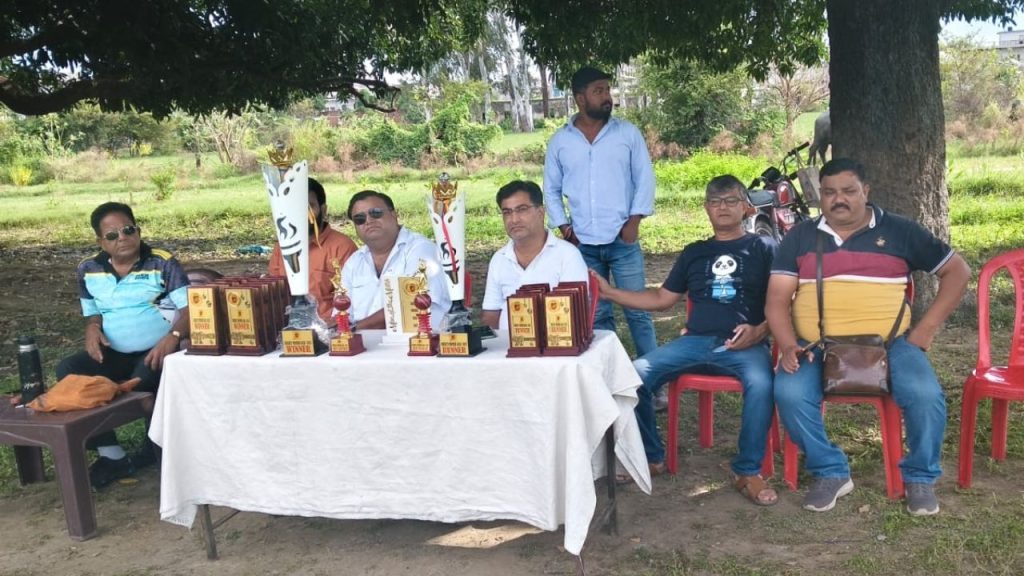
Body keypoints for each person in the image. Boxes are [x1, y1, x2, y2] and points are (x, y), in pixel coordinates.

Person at [766, 158, 970, 515]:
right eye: (829, 192)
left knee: (925, 396)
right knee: (789, 393)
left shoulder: (901, 231)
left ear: (866, 191)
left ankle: (920, 477)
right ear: (819, 196)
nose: (838, 200)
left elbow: (958, 271)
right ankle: (830, 471)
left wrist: (925, 330)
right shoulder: (800, 236)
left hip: (892, 346)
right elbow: (777, 301)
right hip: (817, 347)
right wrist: (787, 344)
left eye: (848, 191)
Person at [596, 175, 778, 505]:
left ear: (746, 207)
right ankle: (651, 457)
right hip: (694, 342)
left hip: (745, 344)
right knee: (633, 376)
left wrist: (761, 330)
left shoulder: (764, 247)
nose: (722, 207)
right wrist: (610, 293)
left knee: (762, 384)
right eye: (715, 201)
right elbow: (661, 299)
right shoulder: (695, 252)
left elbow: (786, 299)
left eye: (731, 200)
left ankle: (747, 470)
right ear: (706, 208)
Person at [57, 202, 191, 488]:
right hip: (114, 353)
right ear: (100, 242)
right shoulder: (88, 269)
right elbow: (92, 312)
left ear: (138, 231)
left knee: (144, 378)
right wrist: (92, 327)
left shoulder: (162, 262)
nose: (123, 238)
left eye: (128, 230)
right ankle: (112, 455)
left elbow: (191, 309)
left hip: (156, 350)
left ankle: (158, 451)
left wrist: (173, 337)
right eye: (112, 235)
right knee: (69, 371)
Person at [543, 66, 657, 359]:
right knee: (597, 314)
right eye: (599, 91)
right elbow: (550, 189)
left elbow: (645, 178)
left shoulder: (627, 133)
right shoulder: (561, 141)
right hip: (583, 244)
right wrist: (564, 228)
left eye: (607, 90)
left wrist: (634, 221)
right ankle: (605, 374)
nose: (607, 97)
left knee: (638, 311)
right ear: (580, 98)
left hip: (623, 240)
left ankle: (653, 377)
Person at [481, 180, 589, 330]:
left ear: (541, 212)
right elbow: (491, 313)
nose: (514, 219)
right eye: (507, 212)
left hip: (556, 341)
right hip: (506, 343)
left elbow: (575, 314)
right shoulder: (499, 259)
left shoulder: (567, 255)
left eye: (522, 210)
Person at [340, 190, 450, 331]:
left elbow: (411, 306)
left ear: (394, 215)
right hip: (361, 341)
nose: (369, 221)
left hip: (417, 339)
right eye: (359, 218)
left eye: (376, 213)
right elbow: (342, 311)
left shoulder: (421, 249)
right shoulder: (354, 262)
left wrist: (355, 328)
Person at [268, 177, 358, 322]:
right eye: (294, 207)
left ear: (323, 210)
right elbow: (274, 293)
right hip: (287, 327)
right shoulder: (282, 246)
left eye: (309, 206)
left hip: (329, 328)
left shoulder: (342, 247)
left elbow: (353, 301)